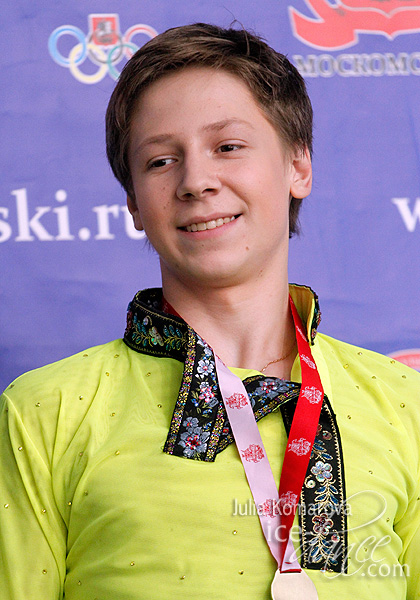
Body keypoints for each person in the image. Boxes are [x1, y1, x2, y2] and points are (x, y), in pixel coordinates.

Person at [0, 22, 419, 600]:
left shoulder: (406, 405)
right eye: (160, 161)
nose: (196, 181)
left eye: (228, 147)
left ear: (298, 166)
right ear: (133, 203)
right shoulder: (43, 412)